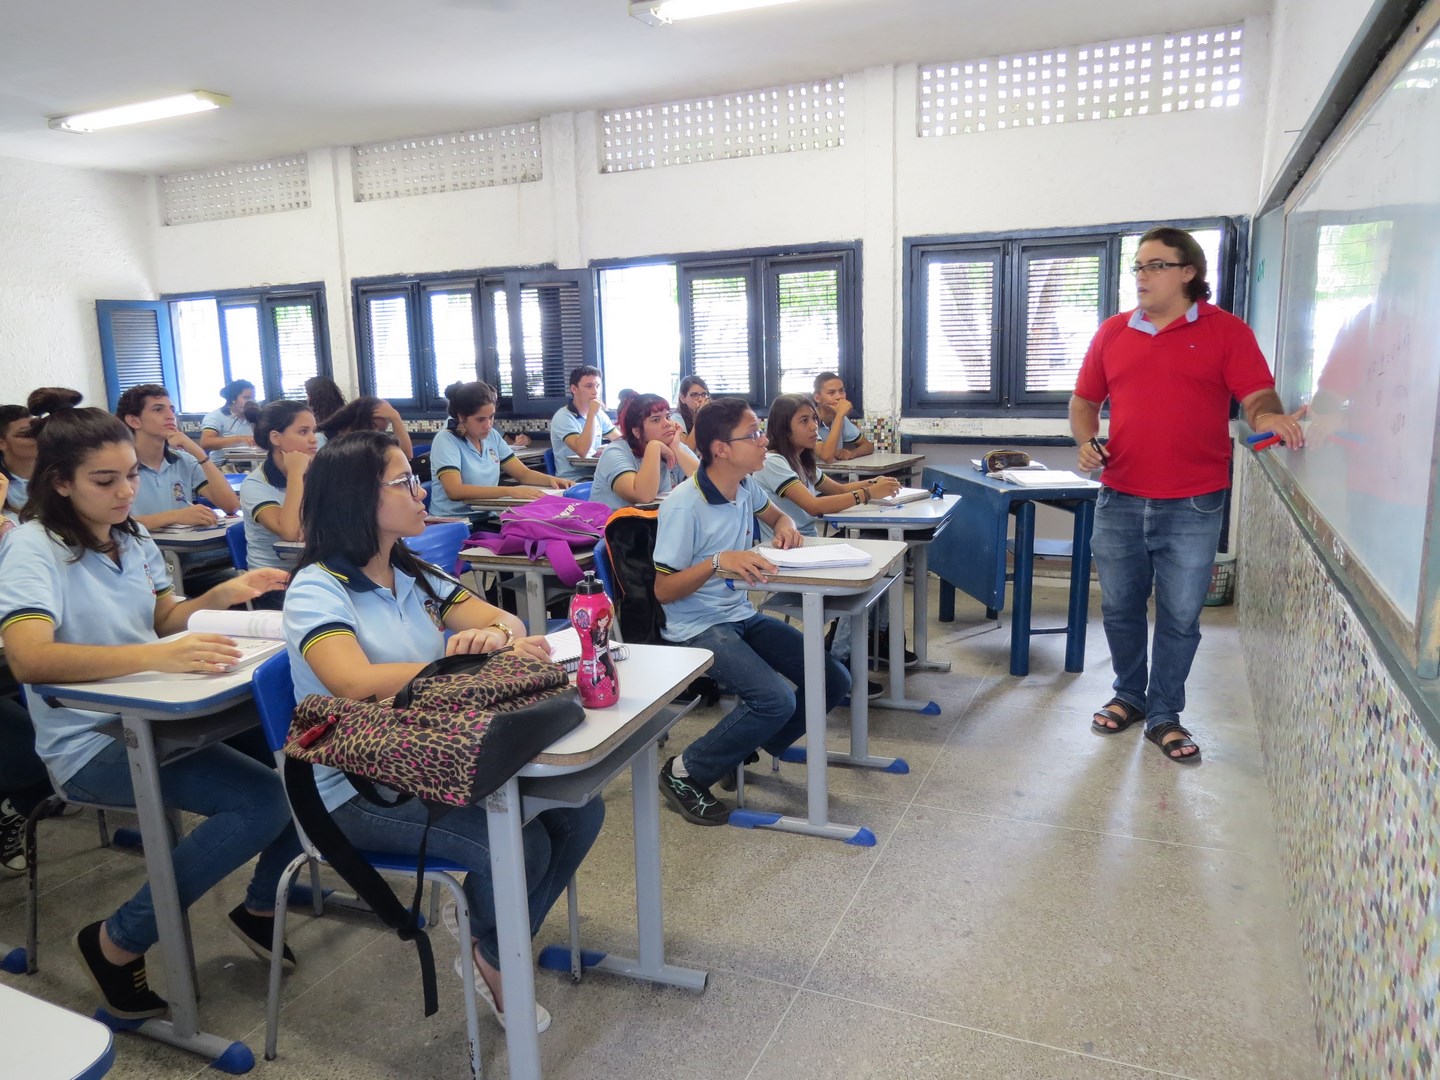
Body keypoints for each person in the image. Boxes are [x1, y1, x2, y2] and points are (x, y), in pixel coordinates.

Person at [282, 430, 604, 1031]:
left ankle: (489, 938)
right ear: (358, 499)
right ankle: (495, 951)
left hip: (429, 759)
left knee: (582, 811)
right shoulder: (317, 587)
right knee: (519, 845)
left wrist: (495, 637)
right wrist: (459, 661)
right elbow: (351, 681)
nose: (419, 488)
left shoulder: (413, 572)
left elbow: (502, 618)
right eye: (403, 481)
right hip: (354, 787)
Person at [0, 391, 299, 1020]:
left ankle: (262, 902)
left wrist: (221, 592)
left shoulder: (127, 536)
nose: (126, 491)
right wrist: (157, 657)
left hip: (158, 712)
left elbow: (164, 619)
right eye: (105, 480)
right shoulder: (31, 548)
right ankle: (116, 941)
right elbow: (29, 658)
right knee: (262, 800)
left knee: (298, 756)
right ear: (59, 483)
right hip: (91, 739)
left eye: (132, 474)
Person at [1070, 226, 1305, 764]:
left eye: (1154, 266)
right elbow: (1084, 400)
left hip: (1194, 501)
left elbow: (1257, 392)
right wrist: (1087, 441)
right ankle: (1129, 696)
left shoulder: (1226, 332)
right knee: (1122, 608)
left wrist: (1267, 415)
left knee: (1179, 616)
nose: (1141, 276)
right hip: (1120, 496)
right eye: (1138, 267)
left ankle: (1164, 714)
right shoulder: (1112, 332)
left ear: (1188, 272)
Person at [653, 397, 851, 825]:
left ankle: (742, 747)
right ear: (721, 448)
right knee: (774, 699)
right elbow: (664, 589)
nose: (764, 442)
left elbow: (779, 516)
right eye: (754, 435)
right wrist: (718, 562)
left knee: (833, 678)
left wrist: (785, 528)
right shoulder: (684, 505)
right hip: (696, 625)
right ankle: (685, 771)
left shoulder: (745, 486)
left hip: (738, 614)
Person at [431, 381, 570, 522]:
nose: (488, 425)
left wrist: (553, 480)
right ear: (461, 417)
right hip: (454, 523)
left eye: (491, 417)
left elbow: (523, 474)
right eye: (480, 420)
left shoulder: (492, 436)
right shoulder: (446, 440)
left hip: (486, 516)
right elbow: (454, 490)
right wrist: (510, 491)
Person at [117, 383, 240, 530]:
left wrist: (199, 453)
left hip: (182, 549)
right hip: (140, 549)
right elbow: (114, 527)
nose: (170, 416)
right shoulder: (118, 466)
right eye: (158, 410)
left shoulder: (184, 460)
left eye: (172, 409)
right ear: (134, 421)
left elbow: (231, 506)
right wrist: (174, 516)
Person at [239, 400, 319, 603]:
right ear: (276, 438)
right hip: (274, 584)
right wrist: (295, 473)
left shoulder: (318, 471)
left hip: (315, 573)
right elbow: (291, 532)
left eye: (313, 431)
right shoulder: (255, 485)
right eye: (303, 432)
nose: (313, 439)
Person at [591, 394, 698, 511]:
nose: (667, 423)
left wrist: (677, 449)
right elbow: (643, 496)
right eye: (656, 420)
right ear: (637, 431)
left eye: (667, 417)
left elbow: (708, 483)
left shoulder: (674, 445)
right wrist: (654, 447)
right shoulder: (614, 453)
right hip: (615, 526)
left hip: (658, 523)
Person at [549, 365, 621, 480]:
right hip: (574, 479)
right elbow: (582, 450)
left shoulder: (599, 414)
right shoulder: (563, 416)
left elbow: (620, 440)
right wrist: (591, 414)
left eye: (597, 386)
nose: (595, 392)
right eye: (589, 386)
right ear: (574, 389)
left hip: (596, 475)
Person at [317, 395, 414, 459]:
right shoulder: (322, 439)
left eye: (381, 431)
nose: (375, 432)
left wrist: (395, 418)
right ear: (360, 418)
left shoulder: (370, 445)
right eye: (373, 426)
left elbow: (406, 456)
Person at [812, 372, 874, 463]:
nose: (839, 397)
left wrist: (852, 453)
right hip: (807, 476)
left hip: (832, 474)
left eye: (841, 391)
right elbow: (826, 457)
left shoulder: (839, 418)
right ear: (817, 398)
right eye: (831, 393)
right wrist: (840, 414)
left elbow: (868, 446)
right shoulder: (810, 421)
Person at [0, 401, 44, 521]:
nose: (36, 438)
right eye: (25, 434)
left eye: (38, 430)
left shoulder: (58, 472)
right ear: (2, 443)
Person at [199, 379, 257, 463]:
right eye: (246, 398)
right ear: (233, 399)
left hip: (253, 462)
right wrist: (239, 439)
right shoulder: (216, 416)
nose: (251, 402)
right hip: (223, 466)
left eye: (253, 398)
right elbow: (206, 442)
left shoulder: (254, 415)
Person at [671, 376, 710, 452]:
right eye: (694, 395)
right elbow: (687, 452)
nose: (700, 399)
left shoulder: (710, 415)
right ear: (682, 398)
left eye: (703, 394)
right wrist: (700, 417)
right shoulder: (676, 419)